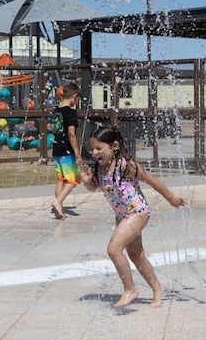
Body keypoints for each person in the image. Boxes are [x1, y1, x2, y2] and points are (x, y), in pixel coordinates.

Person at [80, 125, 188, 308]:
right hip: (122, 215)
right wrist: (87, 182)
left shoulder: (125, 165)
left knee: (114, 249)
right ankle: (157, 287)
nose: (95, 152)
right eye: (93, 148)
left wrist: (172, 199)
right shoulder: (99, 167)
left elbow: (152, 180)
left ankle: (130, 289)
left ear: (114, 146)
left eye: (99, 148)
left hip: (137, 212)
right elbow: (96, 187)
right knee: (136, 255)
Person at [51, 82, 83, 219]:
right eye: (77, 100)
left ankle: (59, 211)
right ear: (74, 96)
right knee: (73, 180)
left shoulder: (57, 110)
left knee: (60, 179)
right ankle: (58, 202)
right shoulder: (71, 112)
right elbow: (71, 133)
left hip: (56, 148)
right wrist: (77, 153)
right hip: (66, 149)